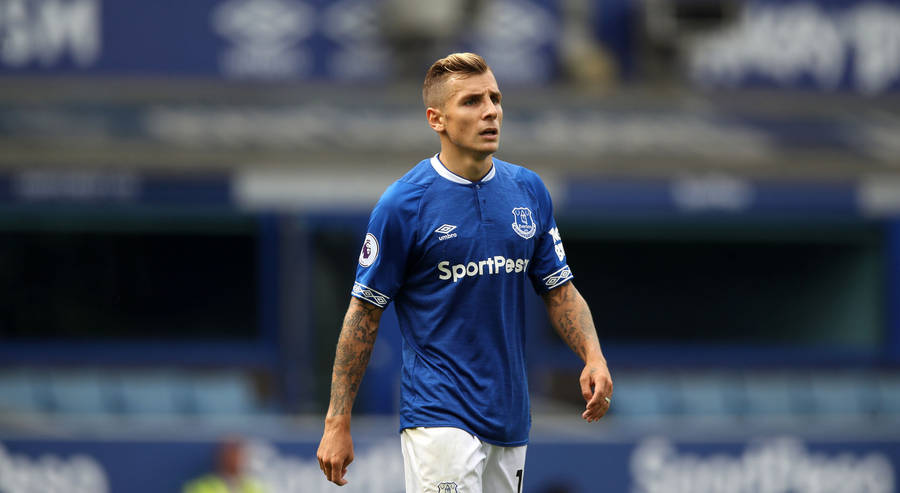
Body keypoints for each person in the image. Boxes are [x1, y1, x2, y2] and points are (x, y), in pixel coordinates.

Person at [316, 52, 613, 492]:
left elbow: (559, 290)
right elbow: (363, 314)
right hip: (439, 416)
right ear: (437, 119)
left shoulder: (527, 190)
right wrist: (337, 421)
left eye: (495, 98)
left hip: (510, 416)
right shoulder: (403, 205)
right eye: (472, 101)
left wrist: (593, 354)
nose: (491, 110)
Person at [183, 438, 266, 493]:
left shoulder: (254, 486)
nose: (234, 458)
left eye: (237, 453)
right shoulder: (201, 486)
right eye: (230, 453)